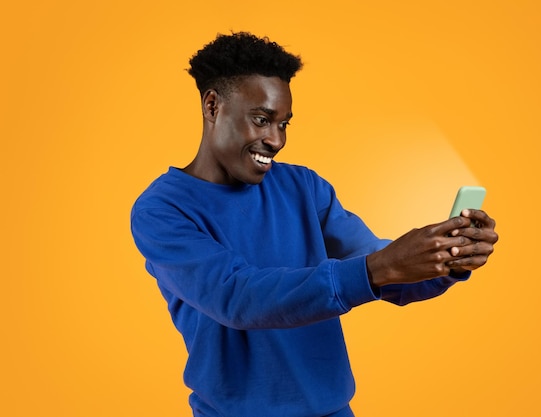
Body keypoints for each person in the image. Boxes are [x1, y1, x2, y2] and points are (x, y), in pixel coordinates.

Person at [130, 32, 498, 417]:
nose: (276, 139)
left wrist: (447, 257)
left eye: (285, 124)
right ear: (212, 106)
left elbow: (377, 264)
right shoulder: (162, 210)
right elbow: (237, 297)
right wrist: (380, 267)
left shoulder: (302, 186)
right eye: (262, 120)